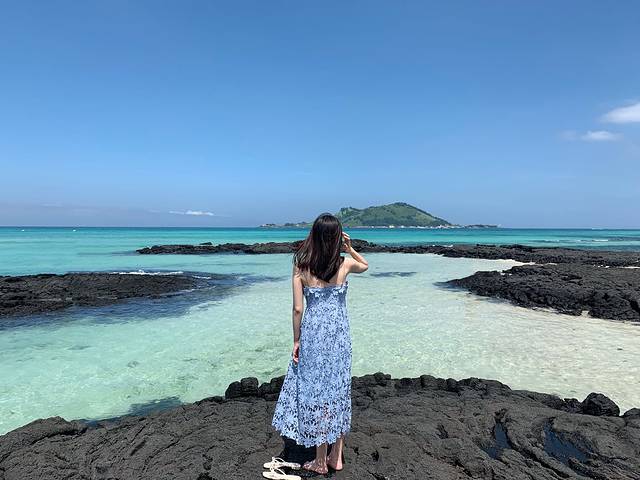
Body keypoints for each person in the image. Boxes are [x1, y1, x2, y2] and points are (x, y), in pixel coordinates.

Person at [271, 213, 369, 474]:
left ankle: (320, 460)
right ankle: (336, 457)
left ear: (313, 235)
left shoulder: (301, 266)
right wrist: (350, 248)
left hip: (314, 337)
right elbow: (365, 265)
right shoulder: (345, 264)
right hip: (339, 336)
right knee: (338, 390)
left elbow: (297, 309)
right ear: (337, 238)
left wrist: (296, 340)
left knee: (317, 393)